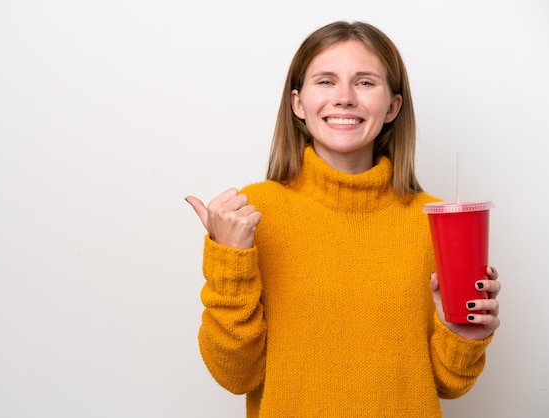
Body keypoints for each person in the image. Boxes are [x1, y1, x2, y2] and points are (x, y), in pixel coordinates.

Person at [185, 20, 501, 418]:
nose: (345, 98)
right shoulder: (250, 217)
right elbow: (236, 376)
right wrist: (230, 261)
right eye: (326, 81)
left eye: (366, 83)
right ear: (298, 103)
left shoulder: (436, 222)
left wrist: (462, 333)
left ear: (393, 106)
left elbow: (446, 385)